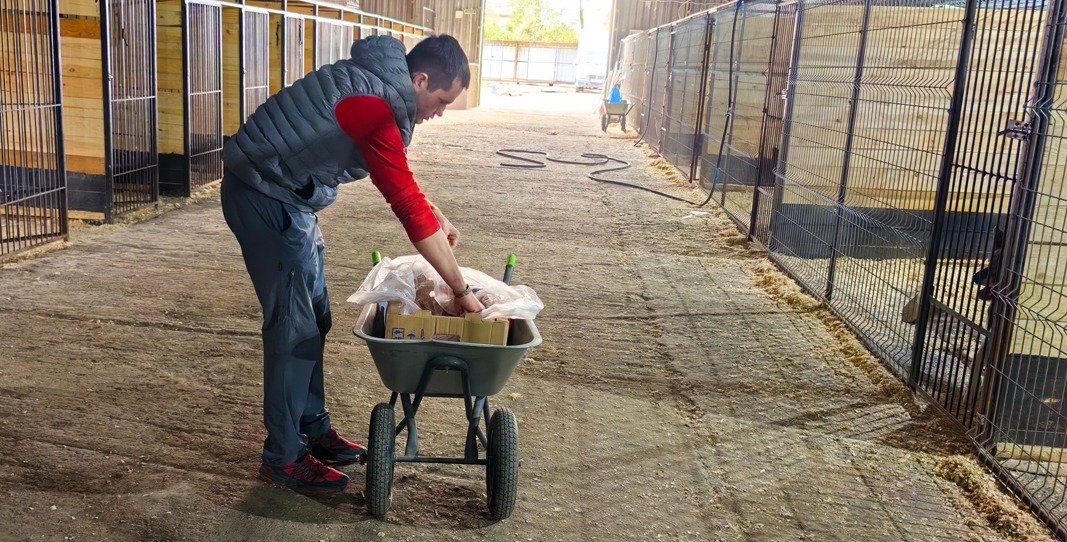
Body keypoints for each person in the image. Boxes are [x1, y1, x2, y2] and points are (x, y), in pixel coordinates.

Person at [220, 34, 485, 496]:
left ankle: (312, 428)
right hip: (264, 197)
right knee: (292, 328)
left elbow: (397, 173)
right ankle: (283, 457)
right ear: (420, 80)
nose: (440, 112)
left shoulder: (377, 88)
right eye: (441, 100)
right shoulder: (375, 105)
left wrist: (436, 213)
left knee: (315, 318)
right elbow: (403, 204)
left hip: (289, 199)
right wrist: (461, 290)